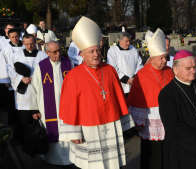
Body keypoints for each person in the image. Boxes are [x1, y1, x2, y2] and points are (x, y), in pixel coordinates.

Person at [58, 16, 132, 169]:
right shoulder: (73, 76)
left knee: (112, 164)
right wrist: (73, 133)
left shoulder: (110, 70)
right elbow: (69, 107)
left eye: (97, 50)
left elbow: (119, 98)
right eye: (91, 51)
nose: (96, 54)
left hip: (110, 124)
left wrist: (124, 122)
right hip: (87, 128)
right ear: (82, 55)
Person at [127, 28, 174, 169]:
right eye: (161, 58)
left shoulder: (169, 72)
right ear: (152, 58)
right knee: (151, 155)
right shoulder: (141, 75)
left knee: (168, 154)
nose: (164, 61)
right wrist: (138, 121)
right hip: (149, 122)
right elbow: (136, 98)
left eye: (165, 57)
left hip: (168, 120)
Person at [30, 41, 72, 165]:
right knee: (53, 131)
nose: (58, 54)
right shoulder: (41, 67)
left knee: (68, 131)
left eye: (59, 51)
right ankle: (53, 159)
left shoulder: (68, 63)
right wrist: (34, 109)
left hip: (67, 107)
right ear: (47, 53)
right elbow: (34, 89)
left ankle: (69, 158)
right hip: (47, 108)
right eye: (54, 52)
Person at [7, 34, 47, 146]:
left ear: (35, 42)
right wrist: (21, 78)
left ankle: (38, 144)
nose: (29, 46)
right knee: (23, 122)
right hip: (23, 96)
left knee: (38, 123)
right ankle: (23, 144)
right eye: (27, 44)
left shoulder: (42, 55)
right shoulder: (16, 55)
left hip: (38, 92)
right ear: (23, 43)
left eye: (32, 43)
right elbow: (10, 69)